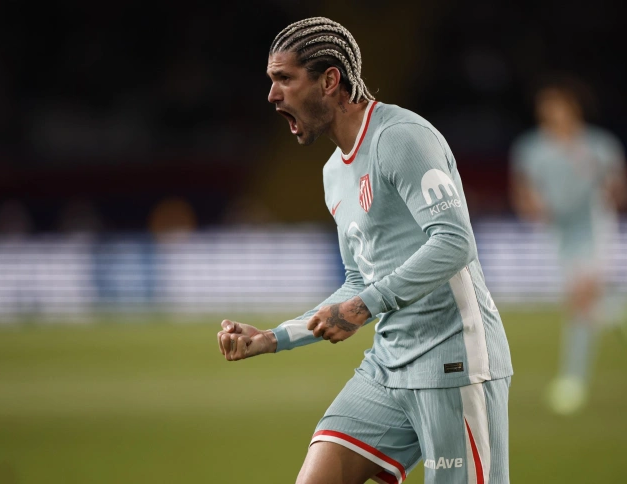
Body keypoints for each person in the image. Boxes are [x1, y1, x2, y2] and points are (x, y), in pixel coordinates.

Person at [217, 17, 513, 484]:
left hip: (452, 361)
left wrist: (363, 307)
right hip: (388, 366)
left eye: (285, 79)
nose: (272, 96)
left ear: (330, 80)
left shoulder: (402, 138)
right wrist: (272, 338)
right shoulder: (334, 172)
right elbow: (359, 281)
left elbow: (454, 242)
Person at [510, 77, 627, 416]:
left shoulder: (600, 145)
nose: (553, 113)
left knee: (579, 297)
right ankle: (618, 311)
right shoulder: (530, 149)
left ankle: (573, 379)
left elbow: (620, 189)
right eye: (547, 108)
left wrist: (611, 191)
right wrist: (532, 206)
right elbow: (523, 193)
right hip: (559, 233)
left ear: (573, 108)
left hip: (594, 225)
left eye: (559, 106)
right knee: (585, 299)